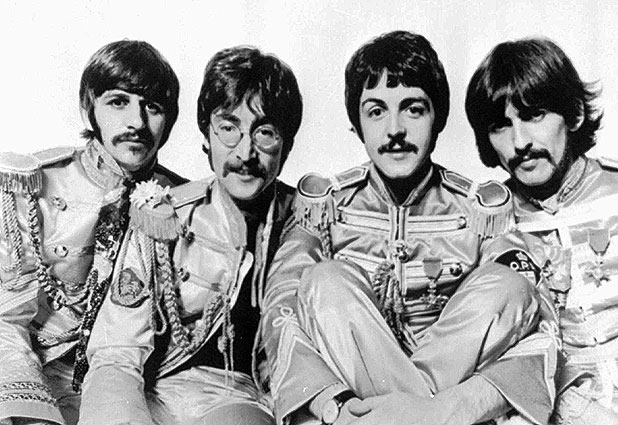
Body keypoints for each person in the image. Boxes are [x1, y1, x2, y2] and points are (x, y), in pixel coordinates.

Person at [261, 30, 559, 425]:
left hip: (444, 412)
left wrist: (443, 410)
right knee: (323, 280)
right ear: (357, 124)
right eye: (376, 111)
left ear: (438, 118)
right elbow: (280, 310)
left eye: (413, 109)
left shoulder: (480, 209)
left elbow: (539, 324)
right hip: (354, 412)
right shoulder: (324, 205)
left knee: (511, 286)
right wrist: (333, 405)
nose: (395, 130)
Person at [78, 46, 302, 425]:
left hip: (238, 399)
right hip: (155, 394)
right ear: (207, 137)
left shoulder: (311, 221)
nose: (245, 152)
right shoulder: (165, 214)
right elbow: (116, 351)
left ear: (287, 144)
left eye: (265, 132)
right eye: (228, 128)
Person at [0, 40, 185, 425]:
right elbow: (6, 319)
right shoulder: (37, 185)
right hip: (34, 371)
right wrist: (30, 410)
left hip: (134, 383)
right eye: (118, 102)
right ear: (90, 107)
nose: (137, 122)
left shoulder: (182, 203)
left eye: (152, 107)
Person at [466, 37, 618, 424]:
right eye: (501, 126)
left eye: (534, 116)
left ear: (574, 114)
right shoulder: (487, 218)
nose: (520, 142)